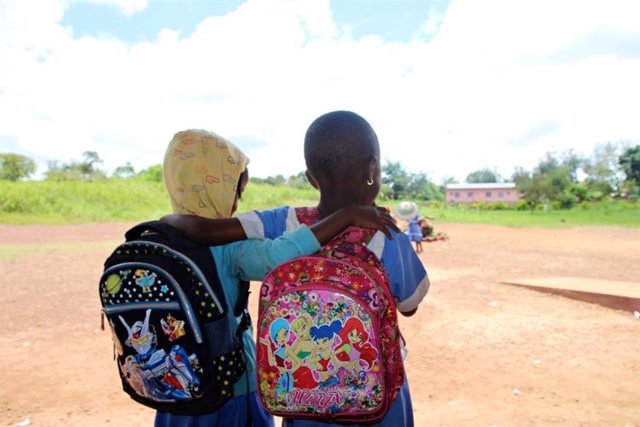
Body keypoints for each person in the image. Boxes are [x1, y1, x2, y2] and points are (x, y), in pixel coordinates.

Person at [164, 111, 430, 427]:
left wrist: (167, 220)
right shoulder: (386, 232)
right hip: (378, 394)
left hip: (302, 395)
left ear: (310, 177)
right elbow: (409, 306)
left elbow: (206, 230)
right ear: (372, 167)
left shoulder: (282, 222)